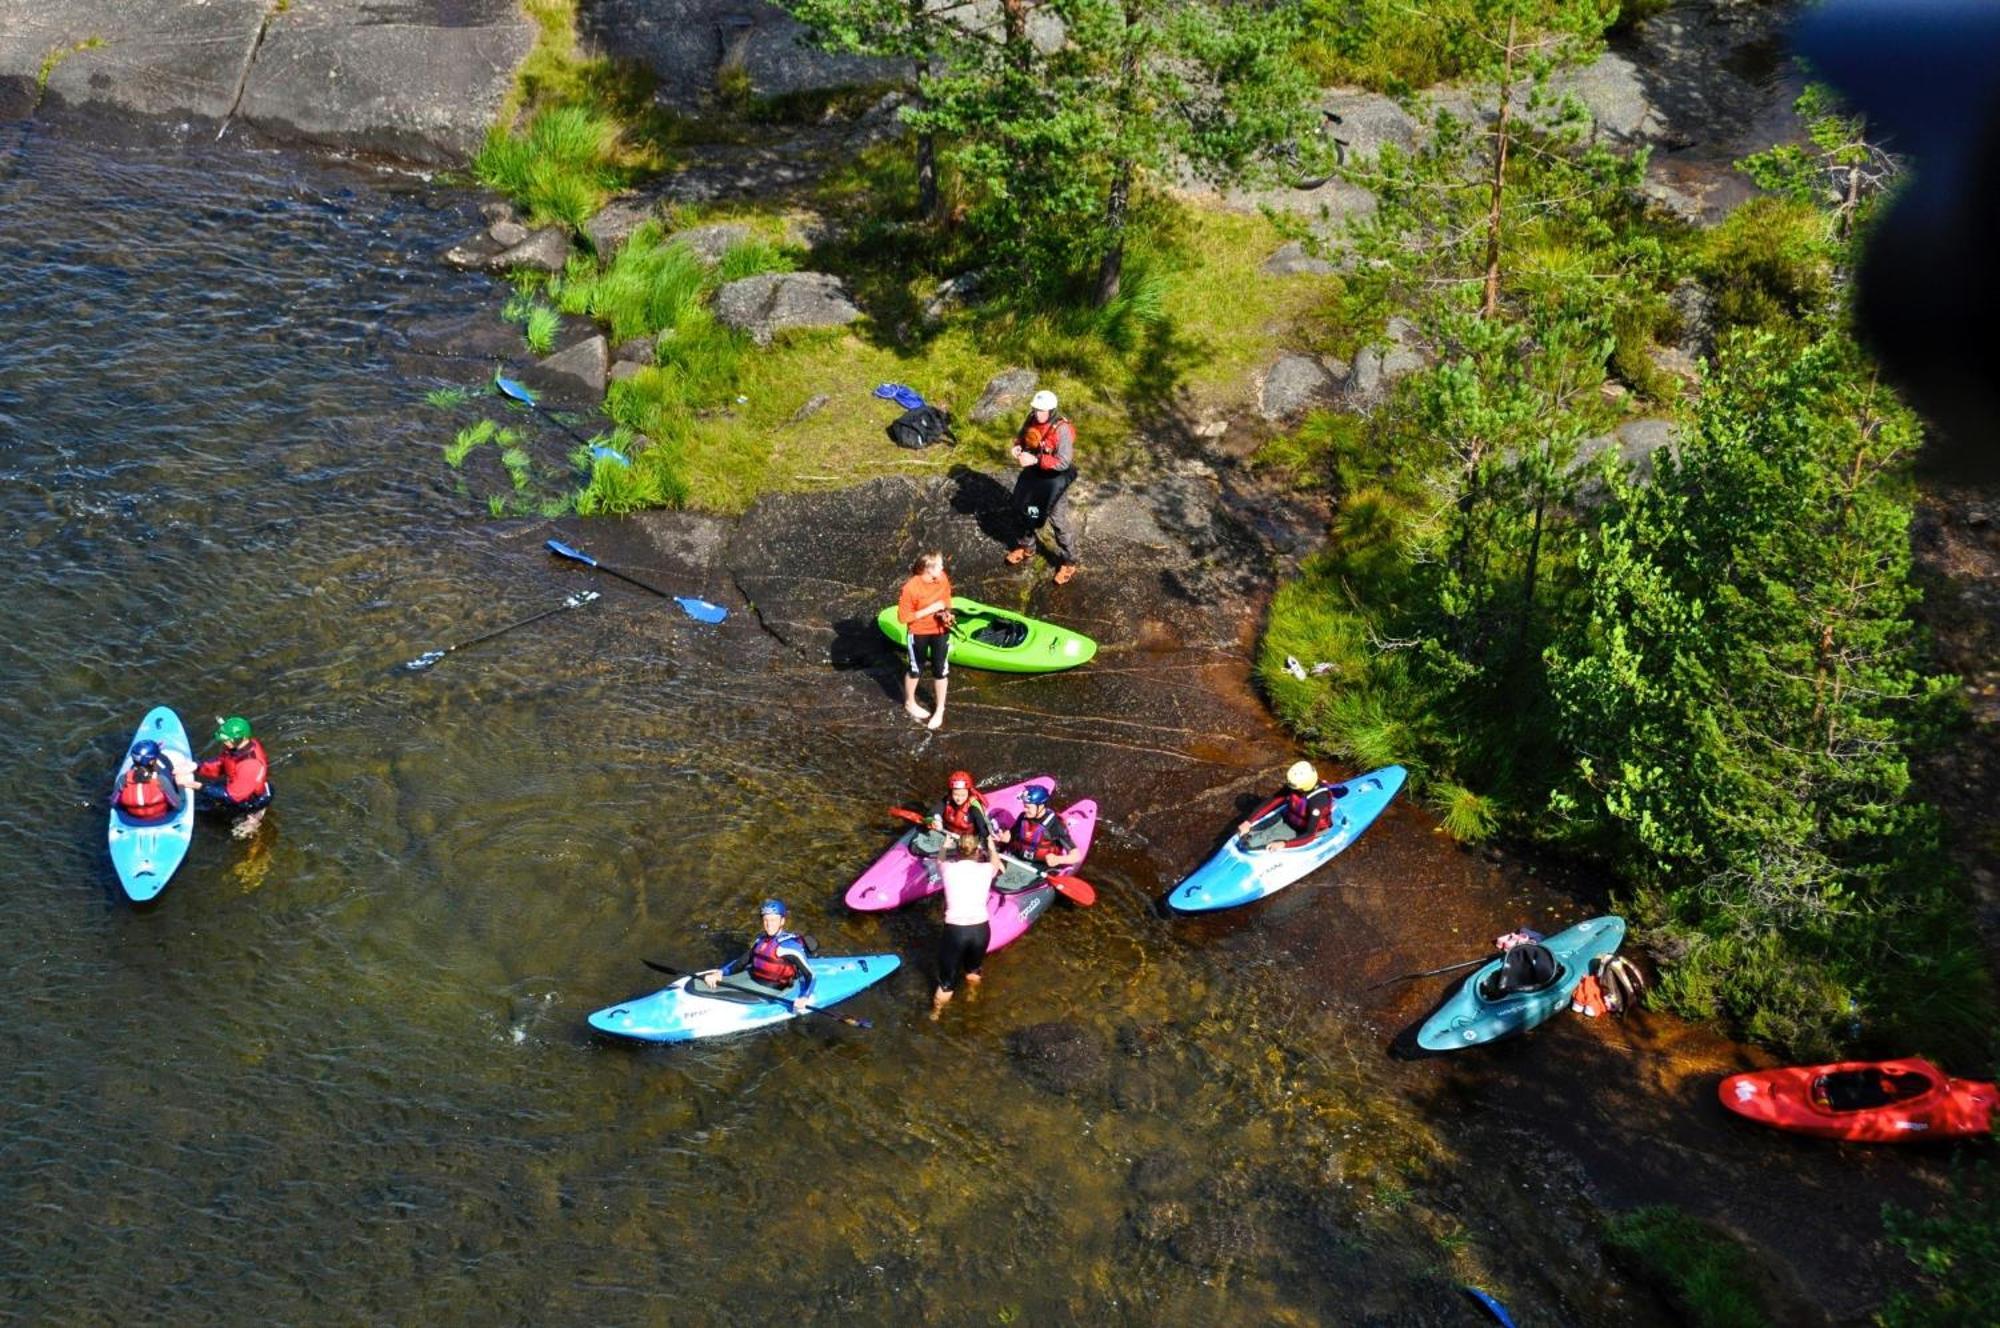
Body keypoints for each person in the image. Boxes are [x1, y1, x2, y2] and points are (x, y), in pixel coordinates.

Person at [1004, 389, 1080, 584]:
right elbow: (1023, 436)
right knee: (1024, 510)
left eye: (1042, 411)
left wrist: (1035, 459)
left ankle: (1069, 561)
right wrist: (1018, 446)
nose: (1037, 413)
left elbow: (1063, 462)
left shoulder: (1061, 429)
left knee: (1058, 522)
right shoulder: (1032, 419)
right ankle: (1027, 546)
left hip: (1053, 480)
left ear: (1051, 410)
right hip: (1034, 475)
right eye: (1036, 409)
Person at [698, 899, 817, 1009]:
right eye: (766, 920)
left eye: (773, 920)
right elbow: (741, 962)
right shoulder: (760, 940)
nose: (769, 924)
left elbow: (811, 976)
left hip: (774, 989)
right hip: (755, 978)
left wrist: (804, 997)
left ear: (782, 921)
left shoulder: (789, 947)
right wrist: (721, 972)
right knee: (710, 983)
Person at [933, 834, 1000, 1019]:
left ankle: (936, 1014)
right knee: (974, 969)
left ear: (958, 851)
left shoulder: (947, 868)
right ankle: (971, 996)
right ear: (978, 851)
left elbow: (939, 859)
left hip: (956, 931)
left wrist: (944, 846)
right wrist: (992, 847)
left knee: (947, 982)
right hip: (981, 930)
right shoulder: (987, 869)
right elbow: (996, 862)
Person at [896, 551, 954, 730]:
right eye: (939, 564)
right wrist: (931, 609)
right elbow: (903, 618)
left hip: (940, 630)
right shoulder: (911, 588)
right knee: (915, 669)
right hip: (918, 632)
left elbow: (946, 599)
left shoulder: (942, 578)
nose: (943, 568)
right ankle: (910, 703)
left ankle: (940, 709)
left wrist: (948, 614)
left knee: (941, 670)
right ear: (928, 569)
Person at [1236, 761, 1341, 851]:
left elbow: (1310, 835)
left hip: (1304, 830)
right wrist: (1249, 822)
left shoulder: (1318, 802)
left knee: (1251, 844)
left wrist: (1284, 844)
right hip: (1288, 818)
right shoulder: (1297, 786)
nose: (1290, 788)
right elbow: (1273, 801)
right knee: (1250, 833)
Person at [994, 784, 1081, 891]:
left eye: (1028, 807)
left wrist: (1059, 859)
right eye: (1025, 806)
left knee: (1003, 887)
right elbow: (1011, 836)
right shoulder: (1023, 817)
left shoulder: (1054, 825)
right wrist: (1003, 838)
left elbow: (1076, 855)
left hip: (1037, 865)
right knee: (991, 876)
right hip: (1015, 857)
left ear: (1040, 806)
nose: (1025, 809)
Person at [911, 771, 996, 871]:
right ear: (951, 792)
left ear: (969, 792)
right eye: (956, 794)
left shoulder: (973, 807)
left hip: (967, 840)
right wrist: (935, 820)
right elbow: (932, 813)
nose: (959, 799)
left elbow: (982, 827)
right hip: (949, 835)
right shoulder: (947, 800)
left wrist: (986, 843)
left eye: (963, 795)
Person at [195, 716, 272, 815]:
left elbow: (234, 796)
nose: (224, 742)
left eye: (228, 740)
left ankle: (255, 819)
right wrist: (197, 767)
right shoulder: (235, 748)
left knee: (240, 828)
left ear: (241, 739)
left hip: (250, 801)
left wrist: (199, 787)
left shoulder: (250, 765)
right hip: (237, 784)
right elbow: (222, 765)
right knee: (205, 801)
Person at [113, 740, 183, 822]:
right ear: (152, 761)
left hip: (133, 821)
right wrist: (181, 787)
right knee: (179, 782)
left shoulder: (123, 779)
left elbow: (114, 803)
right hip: (161, 819)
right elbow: (178, 806)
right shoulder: (161, 780)